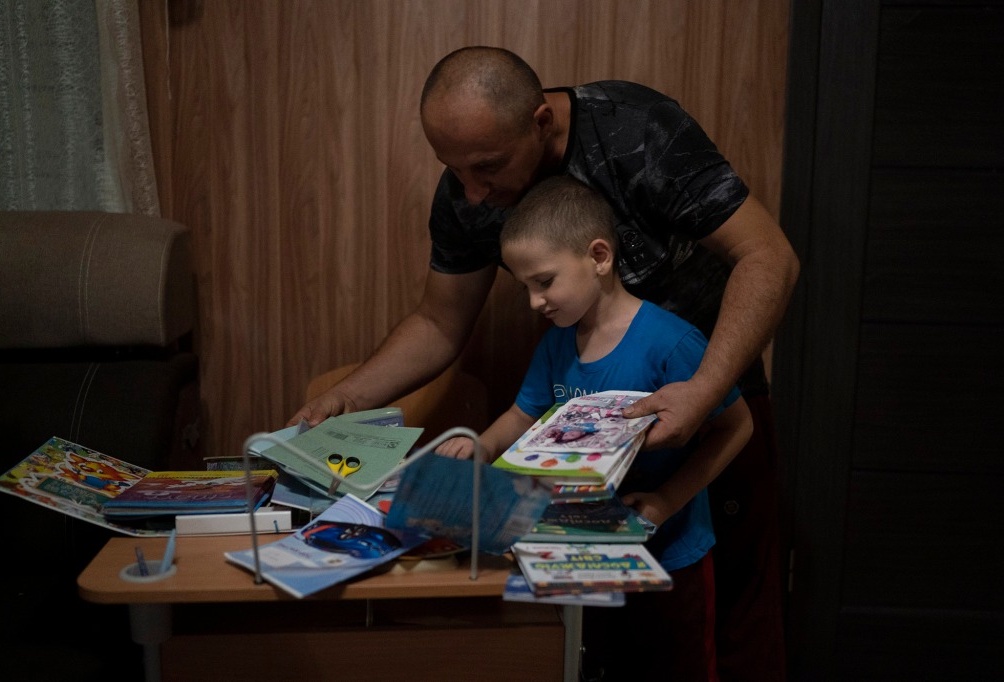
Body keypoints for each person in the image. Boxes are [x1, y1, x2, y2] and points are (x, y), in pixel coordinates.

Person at [290, 46, 799, 680]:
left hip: (711, 393)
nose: (472, 194)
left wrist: (704, 390)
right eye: (454, 171)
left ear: (540, 122)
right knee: (606, 644)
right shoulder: (470, 192)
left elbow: (768, 257)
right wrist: (349, 398)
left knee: (731, 622)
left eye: (487, 168)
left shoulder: (635, 129)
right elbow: (439, 322)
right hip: (598, 471)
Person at [436, 174, 753, 680]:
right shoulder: (556, 344)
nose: (534, 302)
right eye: (525, 288)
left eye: (544, 282)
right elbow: (523, 415)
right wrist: (479, 446)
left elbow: (737, 427)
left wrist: (669, 499)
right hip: (581, 559)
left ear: (599, 257)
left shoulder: (671, 343)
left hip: (671, 561)